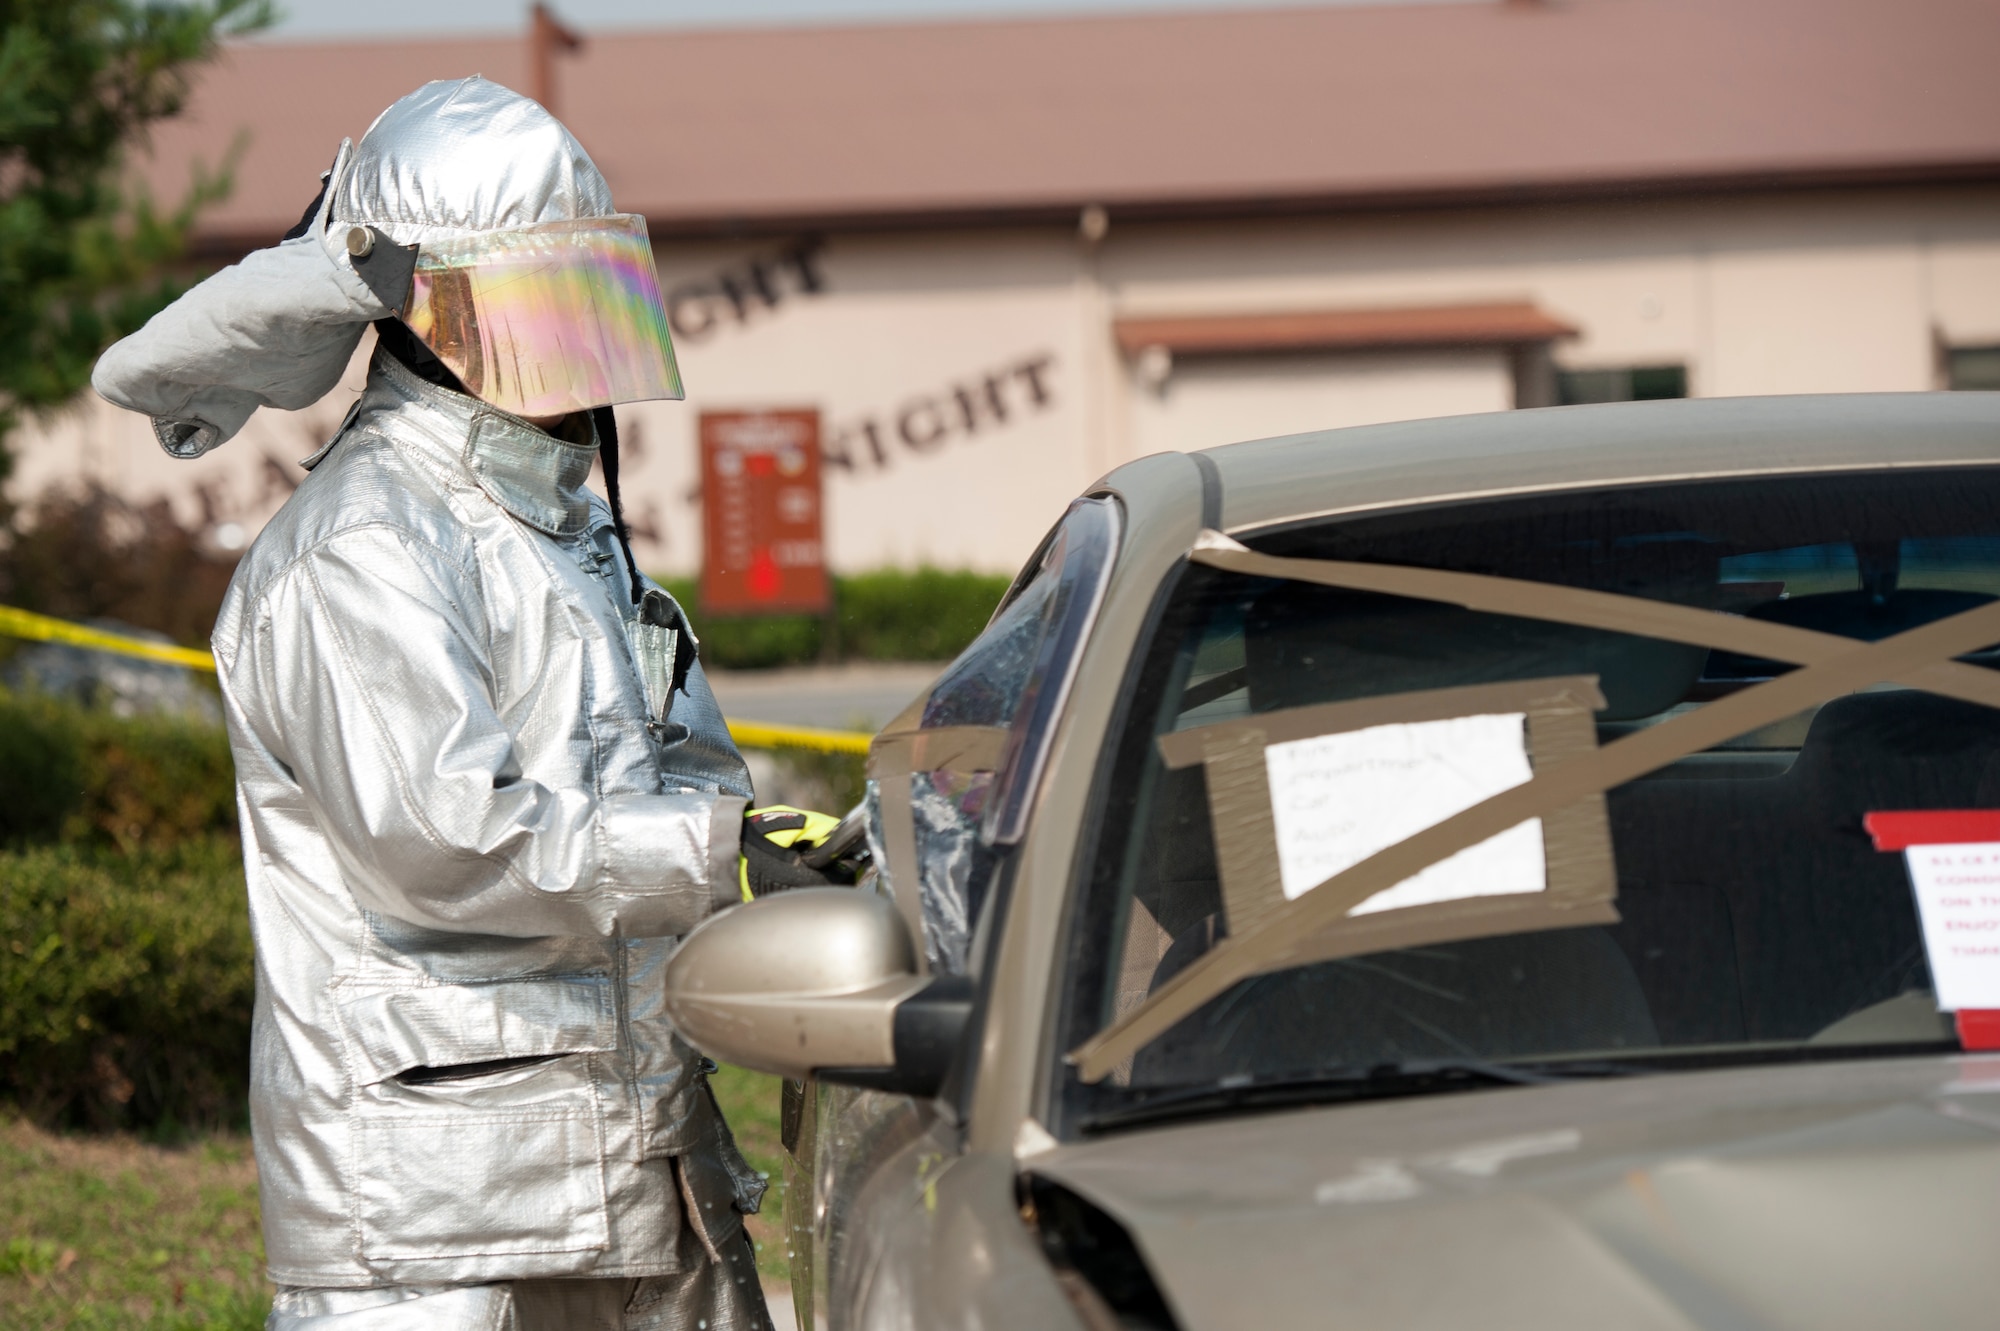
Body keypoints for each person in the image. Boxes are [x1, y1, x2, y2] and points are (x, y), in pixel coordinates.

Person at [92, 77, 841, 1330]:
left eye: (585, 301)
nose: (570, 349)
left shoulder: (569, 532)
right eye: (534, 307)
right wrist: (717, 857)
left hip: (627, 1171)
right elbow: (448, 843)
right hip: (438, 1238)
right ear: (418, 313)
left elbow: (688, 790)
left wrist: (779, 846)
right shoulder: (361, 546)